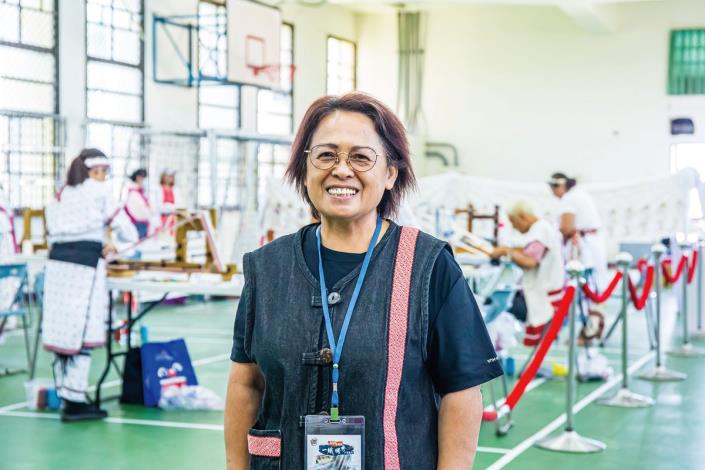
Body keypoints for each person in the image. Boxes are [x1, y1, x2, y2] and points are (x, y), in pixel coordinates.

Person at [225, 93, 503, 470]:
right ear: (304, 169)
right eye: (326, 155)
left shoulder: (429, 266)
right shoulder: (266, 267)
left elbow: (462, 391)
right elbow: (246, 383)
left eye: (361, 157)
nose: (342, 170)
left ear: (390, 174)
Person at [43, 148, 137, 422]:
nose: (104, 177)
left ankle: (66, 395)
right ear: (93, 170)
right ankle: (75, 401)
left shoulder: (62, 193)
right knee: (83, 333)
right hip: (84, 271)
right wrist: (118, 246)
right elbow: (126, 228)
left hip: (57, 269)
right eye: (102, 172)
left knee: (63, 333)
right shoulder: (99, 191)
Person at [490, 201, 565, 346]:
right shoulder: (542, 227)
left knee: (493, 301)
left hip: (543, 296)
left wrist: (506, 251)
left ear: (522, 217)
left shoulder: (540, 230)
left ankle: (495, 344)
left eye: (513, 222)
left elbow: (530, 261)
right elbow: (529, 251)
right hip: (548, 291)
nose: (514, 227)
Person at [549, 172, 607, 289]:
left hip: (583, 246)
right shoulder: (581, 195)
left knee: (580, 281)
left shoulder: (569, 198)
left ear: (560, 187)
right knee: (596, 281)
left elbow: (566, 228)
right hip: (594, 243)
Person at [124, 168, 152, 239]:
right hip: (138, 225)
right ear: (138, 178)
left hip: (142, 225)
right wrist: (150, 216)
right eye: (143, 178)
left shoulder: (139, 192)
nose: (144, 181)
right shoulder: (133, 193)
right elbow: (139, 212)